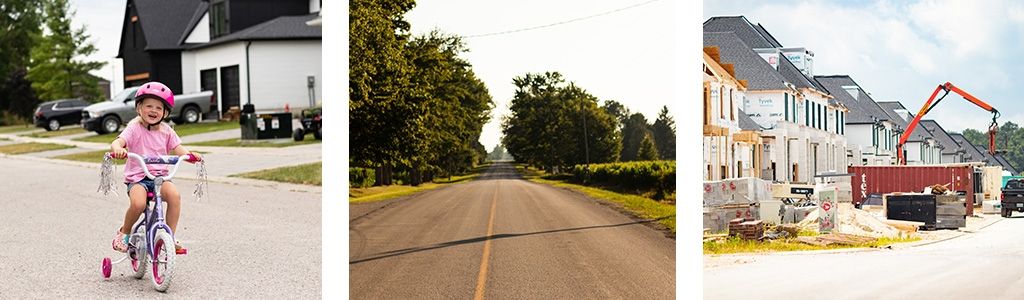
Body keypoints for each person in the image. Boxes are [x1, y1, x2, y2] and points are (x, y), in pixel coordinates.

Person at [109, 82, 202, 254]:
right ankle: (124, 233)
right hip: (138, 178)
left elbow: (178, 148)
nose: (153, 110)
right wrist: (118, 149)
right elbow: (118, 141)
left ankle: (170, 237)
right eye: (148, 106)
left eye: (159, 108)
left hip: (160, 178)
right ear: (139, 108)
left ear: (165, 112)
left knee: (174, 196)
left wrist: (190, 156)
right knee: (138, 203)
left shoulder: (167, 131)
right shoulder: (134, 128)